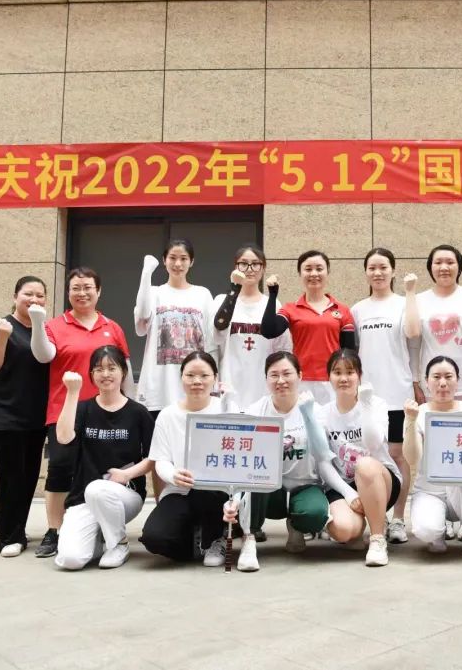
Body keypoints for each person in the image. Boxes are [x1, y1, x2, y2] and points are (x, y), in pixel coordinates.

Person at [29, 267, 133, 559]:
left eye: (88, 287)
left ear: (98, 291)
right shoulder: (54, 326)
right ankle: (54, 530)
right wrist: (37, 322)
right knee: (60, 468)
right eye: (76, 288)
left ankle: (98, 528)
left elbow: (125, 369)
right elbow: (43, 356)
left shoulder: (112, 327)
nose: (82, 293)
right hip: (65, 410)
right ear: (68, 292)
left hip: (105, 411)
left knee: (99, 471)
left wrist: (130, 405)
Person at [223, 351, 353, 569]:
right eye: (274, 375)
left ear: (300, 375)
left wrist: (308, 415)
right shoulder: (256, 411)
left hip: (305, 486)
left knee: (314, 514)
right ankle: (249, 537)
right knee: (255, 481)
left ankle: (296, 525)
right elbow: (243, 463)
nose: (281, 381)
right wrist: (234, 499)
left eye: (287, 374)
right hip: (269, 492)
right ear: (266, 379)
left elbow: (323, 455)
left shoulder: (315, 410)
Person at [212, 244, 293, 543]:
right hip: (231, 390)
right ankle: (230, 521)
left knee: (258, 459)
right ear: (234, 266)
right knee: (231, 459)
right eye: (243, 264)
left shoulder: (273, 303)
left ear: (263, 268)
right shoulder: (223, 300)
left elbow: (283, 348)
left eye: (255, 264)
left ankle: (253, 523)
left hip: (262, 393)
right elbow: (215, 336)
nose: (249, 269)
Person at [52, 346, 154, 570]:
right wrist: (72, 392)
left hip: (124, 495)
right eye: (98, 369)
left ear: (123, 372)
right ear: (91, 375)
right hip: (84, 497)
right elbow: (63, 437)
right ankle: (98, 541)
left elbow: (153, 458)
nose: (105, 374)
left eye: (111, 368)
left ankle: (118, 544)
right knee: (70, 560)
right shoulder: (83, 408)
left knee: (97, 489)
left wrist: (127, 474)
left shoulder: (138, 412)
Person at [140, 351, 234, 569]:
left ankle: (215, 539)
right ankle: (194, 540)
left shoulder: (226, 408)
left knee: (207, 492)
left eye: (204, 375)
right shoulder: (167, 415)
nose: (197, 381)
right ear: (181, 377)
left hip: (216, 492)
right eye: (190, 375)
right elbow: (161, 460)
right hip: (179, 490)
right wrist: (173, 475)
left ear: (215, 378)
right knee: (155, 538)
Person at [0, 275, 50, 557]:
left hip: (37, 416)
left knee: (29, 475)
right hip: (6, 414)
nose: (34, 299)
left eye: (40, 295)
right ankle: (8, 535)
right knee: (11, 476)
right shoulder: (1, 326)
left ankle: (16, 528)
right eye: (28, 294)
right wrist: (2, 338)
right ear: (15, 297)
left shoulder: (43, 329)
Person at [315, 349, 403, 567]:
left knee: (364, 465)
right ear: (329, 377)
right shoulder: (322, 413)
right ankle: (361, 525)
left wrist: (366, 404)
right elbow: (323, 461)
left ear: (359, 376)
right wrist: (348, 493)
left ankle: (377, 538)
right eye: (337, 372)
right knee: (342, 530)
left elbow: (373, 444)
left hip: (380, 479)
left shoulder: (376, 404)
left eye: (350, 372)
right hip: (344, 484)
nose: (344, 378)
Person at [350, 248, 414, 544]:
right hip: (367, 397)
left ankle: (398, 518)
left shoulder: (403, 304)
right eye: (372, 268)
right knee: (370, 457)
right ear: (366, 272)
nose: (377, 272)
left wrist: (411, 293)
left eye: (383, 267)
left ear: (393, 270)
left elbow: (413, 337)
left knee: (397, 454)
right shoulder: (357, 310)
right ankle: (378, 517)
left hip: (398, 392)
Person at [402, 356, 462, 561]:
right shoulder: (418, 413)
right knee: (427, 531)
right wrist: (411, 421)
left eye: (448, 377)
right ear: (426, 381)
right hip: (429, 491)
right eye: (436, 377)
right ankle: (438, 532)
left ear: (457, 380)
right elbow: (412, 457)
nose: (442, 383)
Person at [260, 250, 355, 405]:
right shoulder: (291, 309)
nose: (314, 273)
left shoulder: (342, 310)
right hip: (301, 381)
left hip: (332, 380)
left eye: (319, 268)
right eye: (308, 269)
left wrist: (348, 381)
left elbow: (349, 352)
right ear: (300, 273)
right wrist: (272, 296)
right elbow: (268, 331)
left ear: (327, 272)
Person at [133, 239, 216, 414]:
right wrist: (146, 273)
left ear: (191, 262)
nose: (178, 263)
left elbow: (211, 341)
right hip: (158, 387)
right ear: (164, 260)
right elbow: (142, 318)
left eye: (183, 258)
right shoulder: (154, 293)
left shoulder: (203, 294)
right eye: (172, 258)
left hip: (194, 385)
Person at [405, 244, 462, 408]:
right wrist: (415, 381)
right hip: (434, 385)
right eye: (438, 263)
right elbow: (414, 345)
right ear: (430, 268)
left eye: (450, 262)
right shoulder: (419, 300)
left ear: (459, 267)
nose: (444, 267)